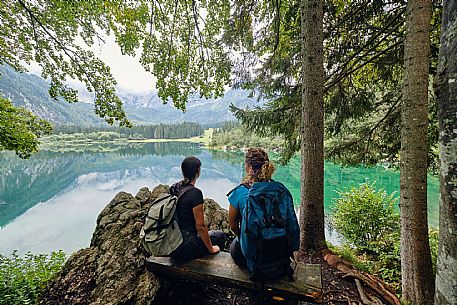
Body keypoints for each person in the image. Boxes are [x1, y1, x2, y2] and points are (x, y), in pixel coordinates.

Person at [228, 148, 299, 278]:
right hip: (280, 253)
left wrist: (242, 236)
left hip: (255, 257)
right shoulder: (281, 190)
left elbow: (233, 225)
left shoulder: (239, 192)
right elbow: (291, 224)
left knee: (234, 245)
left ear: (249, 167)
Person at [169, 156, 226, 260]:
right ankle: (211, 267)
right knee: (220, 235)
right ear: (198, 171)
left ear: (183, 171)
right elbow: (200, 226)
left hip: (173, 241)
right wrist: (211, 249)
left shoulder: (174, 187)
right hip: (186, 245)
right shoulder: (195, 193)